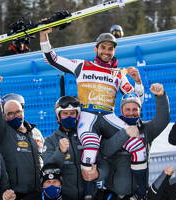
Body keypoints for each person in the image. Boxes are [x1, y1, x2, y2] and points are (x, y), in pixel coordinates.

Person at [40, 28, 146, 191]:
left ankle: (142, 191)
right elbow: (51, 59)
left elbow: (135, 100)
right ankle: (89, 194)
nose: (106, 51)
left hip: (108, 115)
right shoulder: (82, 66)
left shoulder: (117, 74)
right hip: (88, 116)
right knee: (91, 147)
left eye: (110, 48)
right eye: (103, 47)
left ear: (114, 51)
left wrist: (138, 81)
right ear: (95, 49)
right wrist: (43, 35)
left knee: (138, 146)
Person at [100, 83, 170, 199]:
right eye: (127, 109)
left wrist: (161, 96)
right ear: (121, 110)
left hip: (140, 193)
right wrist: (125, 134)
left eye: (135, 109)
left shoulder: (146, 129)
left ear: (140, 110)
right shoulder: (111, 129)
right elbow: (106, 150)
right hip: (116, 193)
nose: (131, 113)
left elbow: (163, 119)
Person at [0, 72, 43, 198]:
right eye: (10, 113)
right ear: (5, 116)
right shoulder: (2, 132)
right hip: (14, 194)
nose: (15, 115)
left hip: (36, 192)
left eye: (18, 112)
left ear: (23, 111)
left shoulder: (33, 133)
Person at [43, 96, 110, 200]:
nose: (69, 117)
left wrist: (98, 174)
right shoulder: (51, 140)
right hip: (65, 196)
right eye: (65, 113)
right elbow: (47, 169)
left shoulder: (88, 136)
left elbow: (104, 163)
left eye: (72, 113)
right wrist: (60, 152)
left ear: (77, 115)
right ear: (58, 116)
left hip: (91, 195)